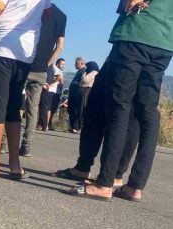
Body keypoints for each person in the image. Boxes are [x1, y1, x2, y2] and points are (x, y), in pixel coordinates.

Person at [67, 0, 173, 202]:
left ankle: (104, 183)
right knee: (148, 111)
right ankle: (135, 185)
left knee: (120, 106)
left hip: (136, 34)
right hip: (164, 41)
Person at [0, 0, 52, 179]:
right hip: (25, 53)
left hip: (1, 47)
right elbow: (46, 15)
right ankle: (15, 164)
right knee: (13, 107)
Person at [20, 1, 65, 157]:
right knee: (33, 108)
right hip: (41, 68)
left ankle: (3, 142)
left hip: (23, 62)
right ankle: (26, 145)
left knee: (13, 104)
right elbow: (59, 46)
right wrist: (47, 63)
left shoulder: (32, 7)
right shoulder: (61, 15)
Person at [39, 58, 65, 131]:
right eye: (62, 64)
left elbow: (60, 79)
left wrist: (50, 83)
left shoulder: (54, 68)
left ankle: (45, 125)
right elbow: (61, 80)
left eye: (64, 64)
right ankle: (45, 124)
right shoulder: (55, 68)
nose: (63, 66)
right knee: (48, 108)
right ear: (57, 63)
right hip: (52, 90)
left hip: (50, 90)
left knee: (47, 108)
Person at [67, 57, 85, 133]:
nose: (75, 65)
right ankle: (72, 126)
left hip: (77, 95)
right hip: (72, 94)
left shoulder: (83, 71)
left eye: (76, 64)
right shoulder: (78, 72)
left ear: (81, 63)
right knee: (70, 110)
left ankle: (76, 127)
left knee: (76, 110)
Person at [79, 60, 99, 126]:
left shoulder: (94, 72)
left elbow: (85, 79)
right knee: (81, 107)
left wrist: (84, 74)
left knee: (83, 106)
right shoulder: (90, 71)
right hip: (85, 89)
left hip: (87, 89)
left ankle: (81, 124)